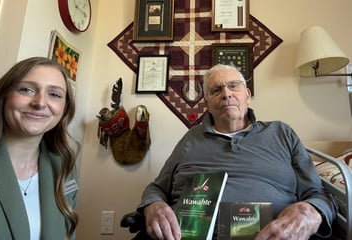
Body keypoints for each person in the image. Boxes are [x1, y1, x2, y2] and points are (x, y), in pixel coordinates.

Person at [136, 64, 338, 240]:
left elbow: (317, 193)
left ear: (248, 95)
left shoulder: (281, 133)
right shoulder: (192, 138)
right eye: (216, 90)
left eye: (234, 86)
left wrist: (309, 212)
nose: (226, 94)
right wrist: (153, 206)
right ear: (207, 103)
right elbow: (157, 188)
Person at [0, 57, 80, 240]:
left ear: (64, 109)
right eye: (26, 89)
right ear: (3, 96)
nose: (40, 102)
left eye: (55, 94)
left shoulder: (65, 168)